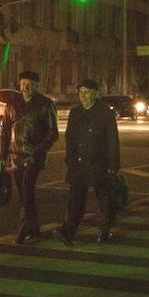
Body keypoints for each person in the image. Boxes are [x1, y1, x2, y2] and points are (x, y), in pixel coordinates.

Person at [55, 79, 121, 246]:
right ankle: (68, 232)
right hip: (79, 163)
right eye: (81, 93)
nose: (83, 96)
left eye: (87, 93)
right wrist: (69, 160)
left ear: (96, 94)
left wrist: (114, 165)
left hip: (100, 163)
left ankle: (105, 230)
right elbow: (70, 138)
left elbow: (112, 140)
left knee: (105, 200)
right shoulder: (75, 112)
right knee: (76, 199)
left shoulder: (105, 113)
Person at [1, 70, 59, 244]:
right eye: (24, 84)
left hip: (34, 156)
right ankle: (34, 227)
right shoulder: (12, 104)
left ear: (36, 86)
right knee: (24, 193)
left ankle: (24, 228)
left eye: (31, 85)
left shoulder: (45, 104)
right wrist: (3, 156)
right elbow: (5, 131)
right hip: (15, 154)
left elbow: (53, 132)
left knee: (27, 189)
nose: (26, 87)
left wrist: (40, 149)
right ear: (19, 84)